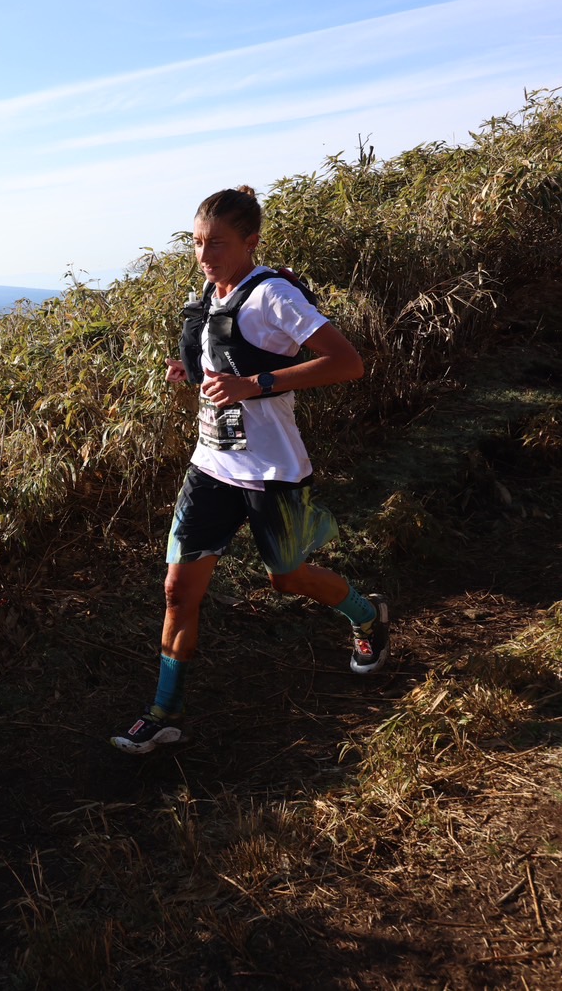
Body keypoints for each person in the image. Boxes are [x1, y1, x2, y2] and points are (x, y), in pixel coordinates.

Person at [111, 186, 389, 755]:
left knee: (286, 577)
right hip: (210, 466)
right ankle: (164, 712)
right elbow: (226, 362)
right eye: (196, 243)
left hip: (273, 471)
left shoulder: (274, 295)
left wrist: (254, 386)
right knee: (176, 592)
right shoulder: (213, 295)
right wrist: (190, 373)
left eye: (217, 243)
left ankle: (367, 615)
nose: (205, 254)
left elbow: (347, 362)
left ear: (250, 242)